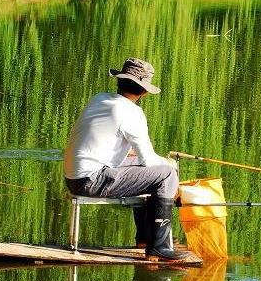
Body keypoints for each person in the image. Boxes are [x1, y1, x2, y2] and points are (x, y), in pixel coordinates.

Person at [63, 57, 188, 260]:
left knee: (148, 171)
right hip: (91, 180)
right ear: (144, 91)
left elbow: (118, 149)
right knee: (166, 175)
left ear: (119, 81)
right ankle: (159, 246)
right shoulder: (132, 113)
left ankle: (145, 238)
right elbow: (149, 160)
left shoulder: (99, 99)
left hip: (74, 178)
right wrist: (169, 163)